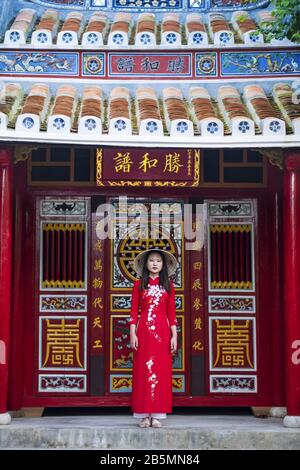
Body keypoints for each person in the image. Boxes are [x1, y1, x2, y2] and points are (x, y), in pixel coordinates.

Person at [129, 247, 178, 428]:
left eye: (158, 260)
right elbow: (134, 312)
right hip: (143, 332)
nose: (155, 263)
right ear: (146, 264)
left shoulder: (168, 286)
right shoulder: (139, 284)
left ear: (163, 264)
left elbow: (171, 314)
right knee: (142, 371)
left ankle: (157, 414)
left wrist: (174, 336)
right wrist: (132, 333)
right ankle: (143, 415)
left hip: (162, 332)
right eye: (151, 260)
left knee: (161, 371)